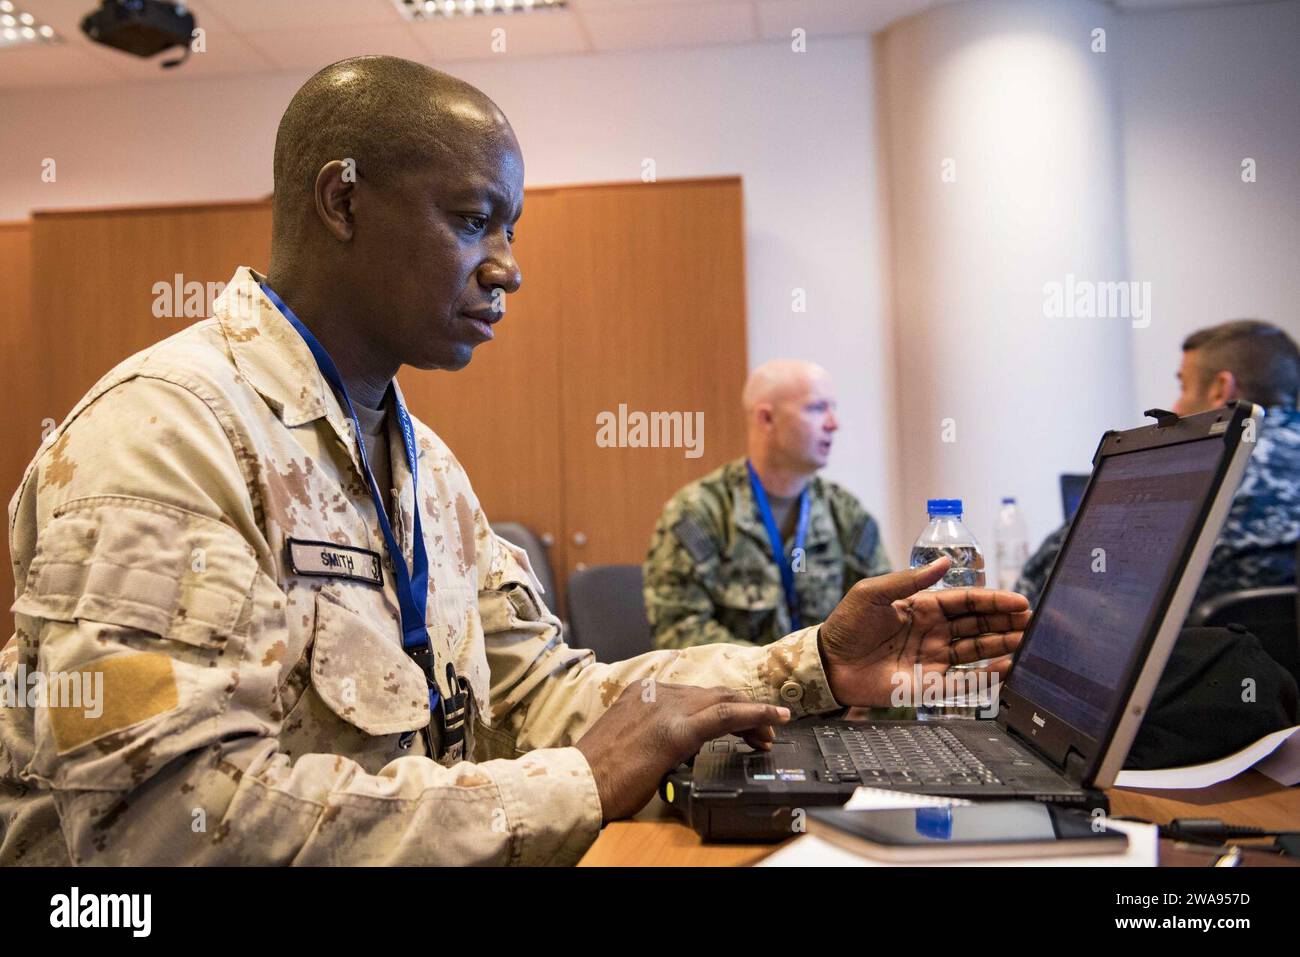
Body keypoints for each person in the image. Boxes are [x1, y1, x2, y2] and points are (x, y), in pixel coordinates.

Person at [0, 57, 1027, 866]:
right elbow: (155, 830)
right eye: (472, 218)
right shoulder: (164, 438)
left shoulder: (423, 468)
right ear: (342, 202)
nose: (510, 266)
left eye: (512, 226)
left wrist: (814, 667)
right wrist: (576, 785)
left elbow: (538, 696)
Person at [1017, 320, 1300, 609]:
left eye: (1183, 386)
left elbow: (1044, 579)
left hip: (1188, 647)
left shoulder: (1202, 463)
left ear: (1220, 389)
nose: (1176, 407)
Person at [643, 360, 891, 650]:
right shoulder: (699, 513)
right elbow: (677, 633)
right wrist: (778, 672)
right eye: (816, 408)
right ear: (766, 419)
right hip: (734, 693)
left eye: (832, 408)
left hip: (830, 691)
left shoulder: (845, 513)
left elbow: (885, 614)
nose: (833, 423)